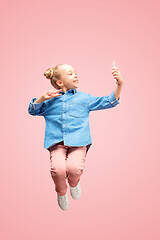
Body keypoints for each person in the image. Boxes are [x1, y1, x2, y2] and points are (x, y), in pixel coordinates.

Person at [28, 63, 124, 211]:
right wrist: (41, 98)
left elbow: (108, 101)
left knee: (74, 169)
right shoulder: (49, 100)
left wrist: (119, 85)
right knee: (57, 170)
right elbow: (33, 111)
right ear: (60, 82)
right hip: (56, 142)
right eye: (71, 73)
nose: (75, 75)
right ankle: (61, 192)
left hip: (79, 142)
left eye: (75, 72)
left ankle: (74, 183)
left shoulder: (84, 98)